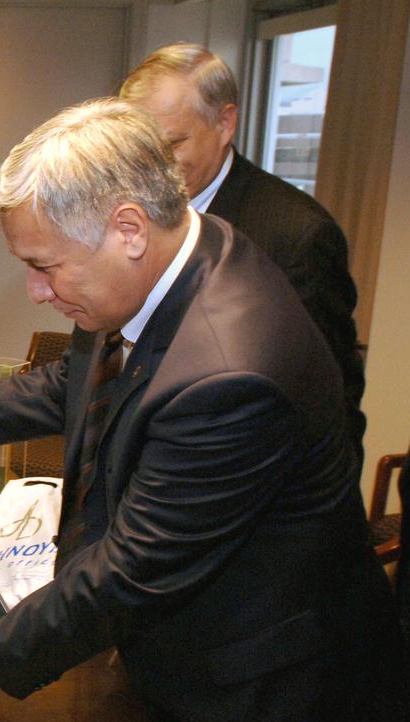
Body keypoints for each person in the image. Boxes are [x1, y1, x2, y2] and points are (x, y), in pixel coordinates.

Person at [0, 98, 396, 722]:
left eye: (44, 266)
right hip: (173, 661)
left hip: (256, 706)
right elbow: (82, 380)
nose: (35, 290)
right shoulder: (175, 260)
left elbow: (133, 570)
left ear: (127, 228)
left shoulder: (231, 373)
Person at [120, 43, 366, 459]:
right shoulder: (129, 212)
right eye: (140, 150)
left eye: (172, 145)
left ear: (225, 123)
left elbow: (327, 403)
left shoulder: (297, 235)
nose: (152, 169)